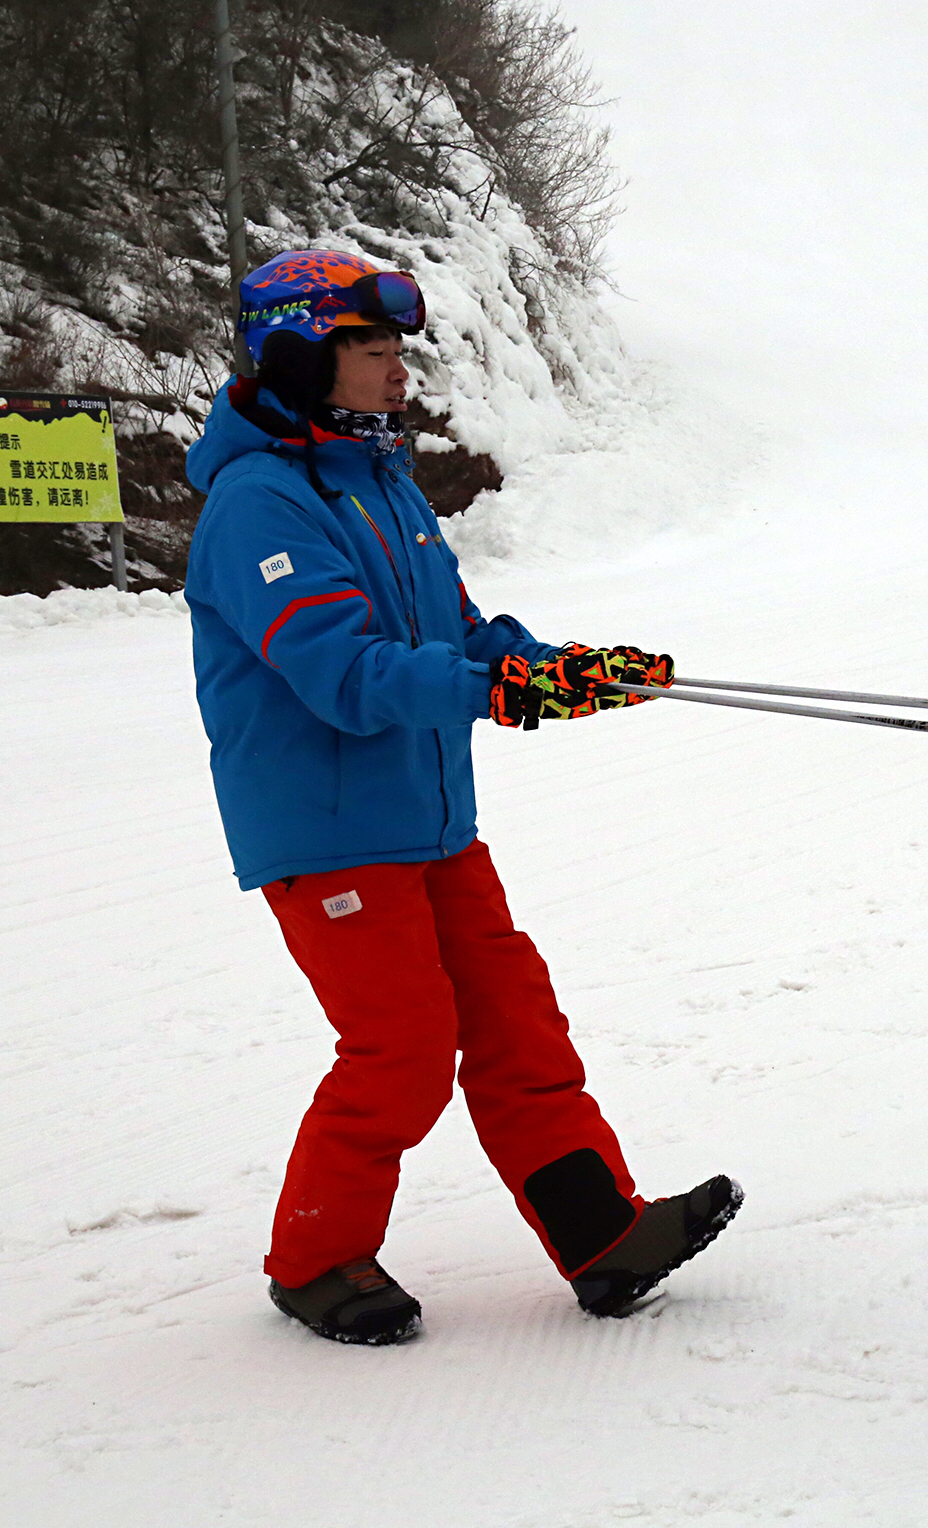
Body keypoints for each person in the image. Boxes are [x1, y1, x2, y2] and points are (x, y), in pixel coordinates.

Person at [184, 250, 740, 1345]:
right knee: (401, 1043)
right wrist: (503, 689)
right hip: (331, 830)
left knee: (514, 1022)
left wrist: (561, 667)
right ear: (301, 358)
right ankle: (315, 1259)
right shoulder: (259, 506)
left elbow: (458, 635)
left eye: (398, 350)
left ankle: (600, 1232)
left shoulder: (380, 483)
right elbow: (346, 674)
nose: (399, 372)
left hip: (431, 819)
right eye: (374, 351)